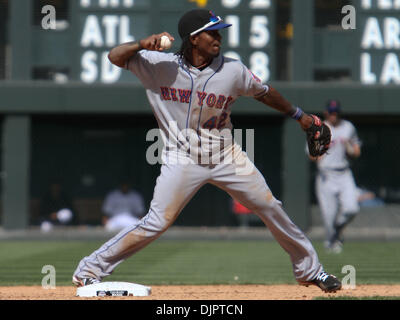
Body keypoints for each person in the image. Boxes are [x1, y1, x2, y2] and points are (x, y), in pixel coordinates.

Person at [72, 9, 341, 293]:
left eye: (218, 31)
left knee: (270, 206)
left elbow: (264, 91)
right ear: (194, 39)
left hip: (226, 155)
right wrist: (141, 44)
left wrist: (301, 116)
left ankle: (312, 271)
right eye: (212, 32)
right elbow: (115, 56)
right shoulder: (159, 65)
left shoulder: (233, 70)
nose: (218, 37)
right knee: (157, 221)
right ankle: (89, 270)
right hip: (181, 157)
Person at [310, 99, 361, 253]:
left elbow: (356, 152)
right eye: (331, 112)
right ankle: (332, 241)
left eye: (336, 112)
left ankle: (338, 228)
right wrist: (321, 150)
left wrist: (349, 149)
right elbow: (312, 156)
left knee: (352, 208)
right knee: (328, 215)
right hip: (326, 175)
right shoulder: (319, 129)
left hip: (344, 173)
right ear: (326, 113)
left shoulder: (348, 127)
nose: (334, 115)